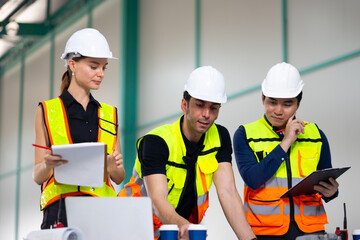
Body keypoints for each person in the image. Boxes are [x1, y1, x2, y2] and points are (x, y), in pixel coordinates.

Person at [119, 66, 256, 240]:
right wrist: (183, 226)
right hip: (132, 229)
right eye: (199, 105)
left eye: (214, 108)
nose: (206, 114)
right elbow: (157, 200)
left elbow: (228, 191)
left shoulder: (220, 137)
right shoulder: (156, 142)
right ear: (184, 105)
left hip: (177, 232)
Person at [233, 62, 339, 240]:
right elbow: (252, 179)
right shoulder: (245, 134)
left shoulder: (316, 134)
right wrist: (286, 141)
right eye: (272, 102)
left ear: (298, 103)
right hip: (265, 233)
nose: (278, 111)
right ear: (262, 99)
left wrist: (332, 192)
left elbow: (326, 180)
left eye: (287, 104)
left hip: (311, 231)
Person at [33, 28, 125, 229]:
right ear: (72, 64)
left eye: (104, 67)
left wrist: (112, 166)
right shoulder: (47, 110)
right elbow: (37, 176)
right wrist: (48, 164)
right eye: (94, 66)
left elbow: (119, 177)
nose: (100, 73)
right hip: (60, 211)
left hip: (102, 211)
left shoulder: (109, 114)